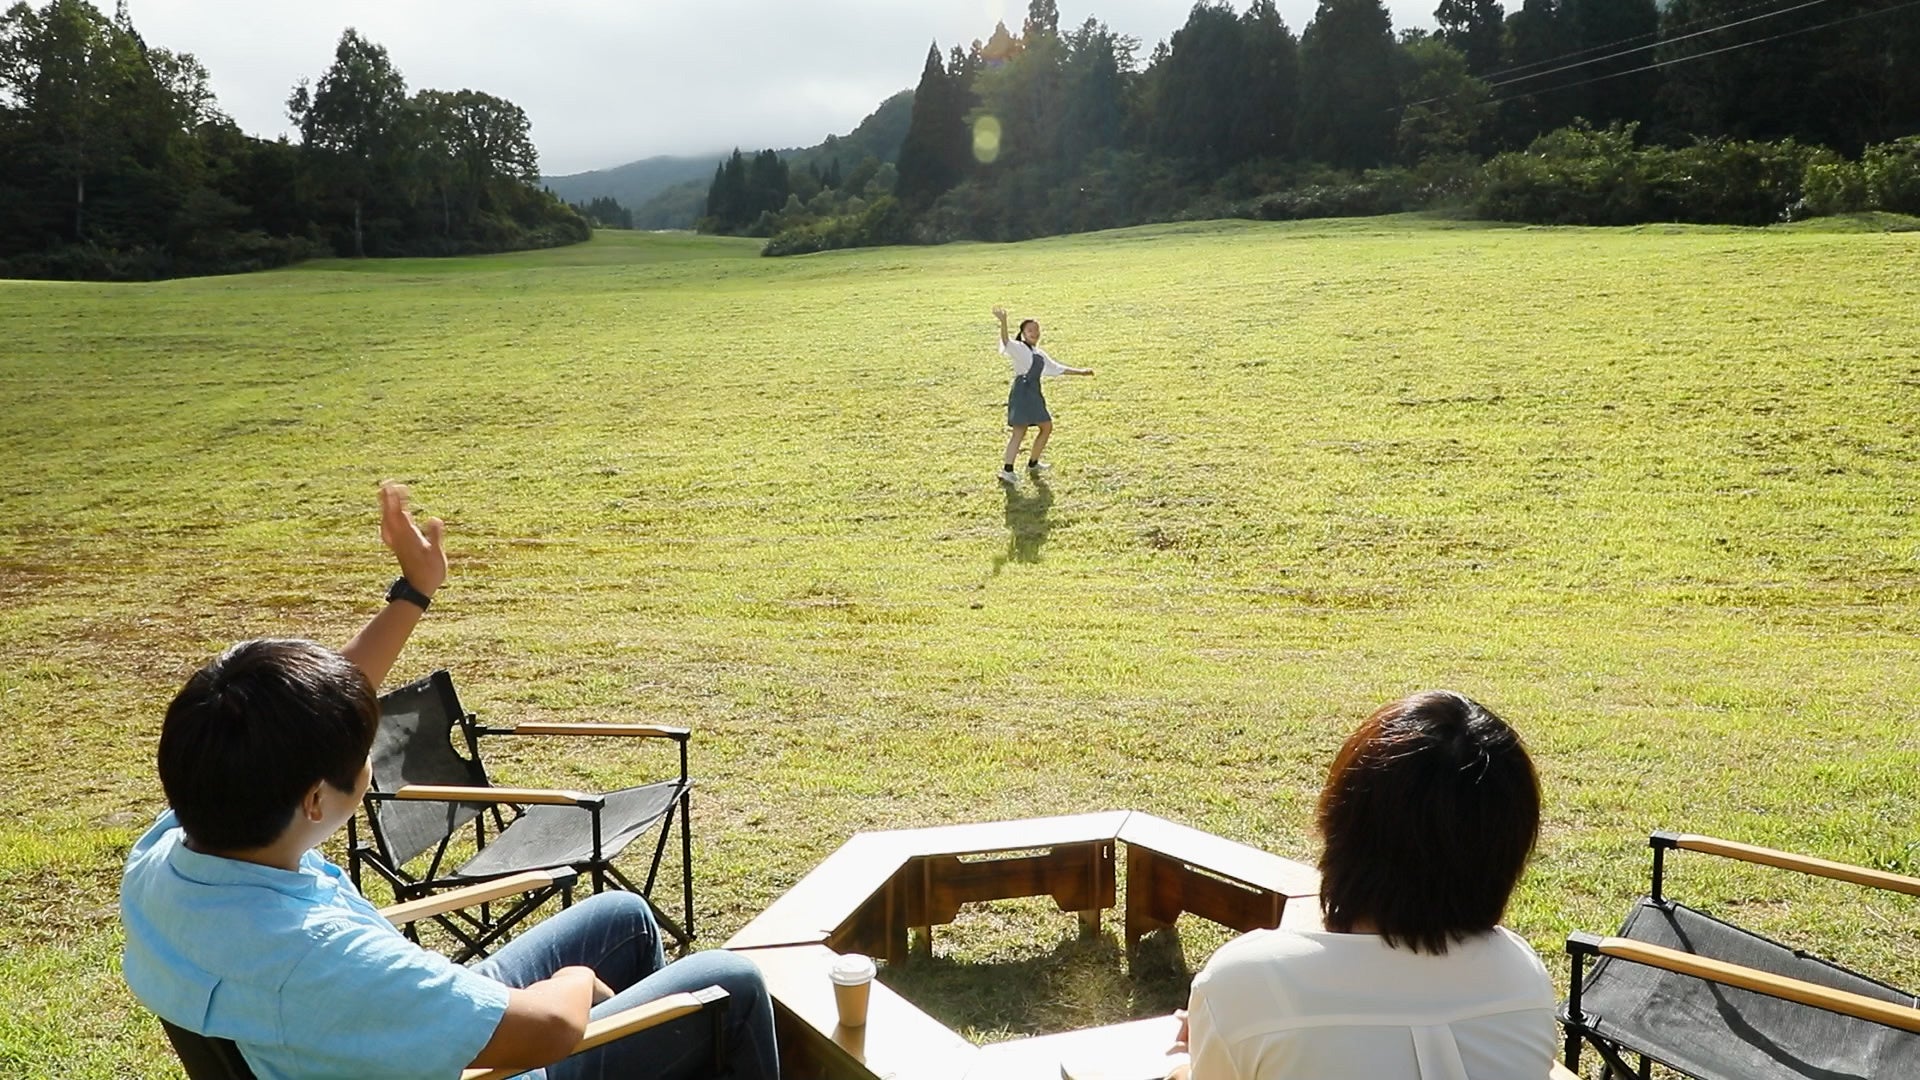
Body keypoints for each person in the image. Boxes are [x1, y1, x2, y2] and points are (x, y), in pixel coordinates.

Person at [119, 482, 779, 1080]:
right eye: (359, 748)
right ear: (316, 797)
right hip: (478, 1064)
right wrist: (576, 980)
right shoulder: (322, 959)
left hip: (371, 1036)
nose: (367, 747)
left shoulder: (172, 854)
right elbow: (547, 1030)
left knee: (626, 921)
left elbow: (306, 719)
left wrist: (414, 590)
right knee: (732, 982)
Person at [1170, 691, 1555, 1080]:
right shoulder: (1522, 980)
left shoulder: (1247, 983)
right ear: (1510, 846)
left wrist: (1198, 1050)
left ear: (1340, 824)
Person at [992, 304, 1092, 484]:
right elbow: (1006, 341)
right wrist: (1004, 322)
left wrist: (1081, 372)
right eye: (1030, 330)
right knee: (1019, 432)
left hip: (1034, 393)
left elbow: (1057, 368)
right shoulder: (1018, 348)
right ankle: (1007, 470)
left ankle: (1033, 463)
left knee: (1046, 426)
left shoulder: (1039, 354)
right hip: (1022, 393)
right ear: (1023, 333)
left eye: (1037, 330)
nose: (1034, 333)